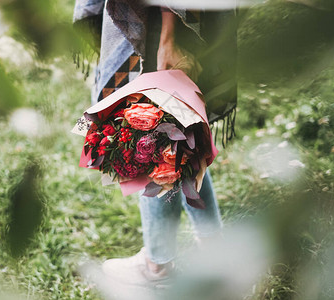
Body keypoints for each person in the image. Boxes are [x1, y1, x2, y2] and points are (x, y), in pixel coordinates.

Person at [73, 0, 237, 288]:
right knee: (177, 137)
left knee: (152, 134)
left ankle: (158, 266)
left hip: (161, 19)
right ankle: (213, 249)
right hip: (162, 18)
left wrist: (167, 36)